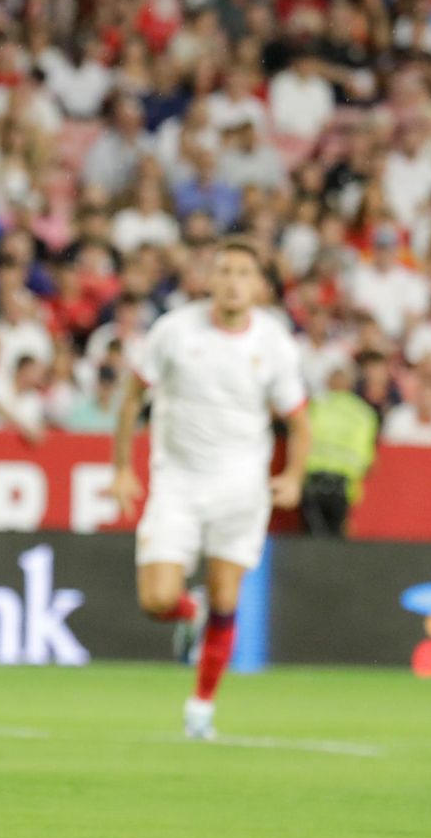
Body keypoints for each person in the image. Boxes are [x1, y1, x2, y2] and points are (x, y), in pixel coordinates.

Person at [108, 239, 310, 741]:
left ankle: (201, 707)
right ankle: (189, 612)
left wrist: (293, 476)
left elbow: (299, 421)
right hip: (176, 482)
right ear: (209, 279)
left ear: (260, 287)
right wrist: (122, 468)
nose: (233, 281)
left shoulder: (274, 343)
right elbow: (132, 399)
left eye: (244, 273)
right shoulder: (174, 331)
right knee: (157, 599)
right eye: (225, 271)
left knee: (226, 596)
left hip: (241, 488)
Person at [301, 364, 378, 537]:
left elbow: (301, 439)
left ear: (329, 382)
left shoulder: (315, 406)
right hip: (344, 484)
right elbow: (366, 456)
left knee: (311, 537)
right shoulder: (364, 412)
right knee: (337, 537)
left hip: (313, 480)